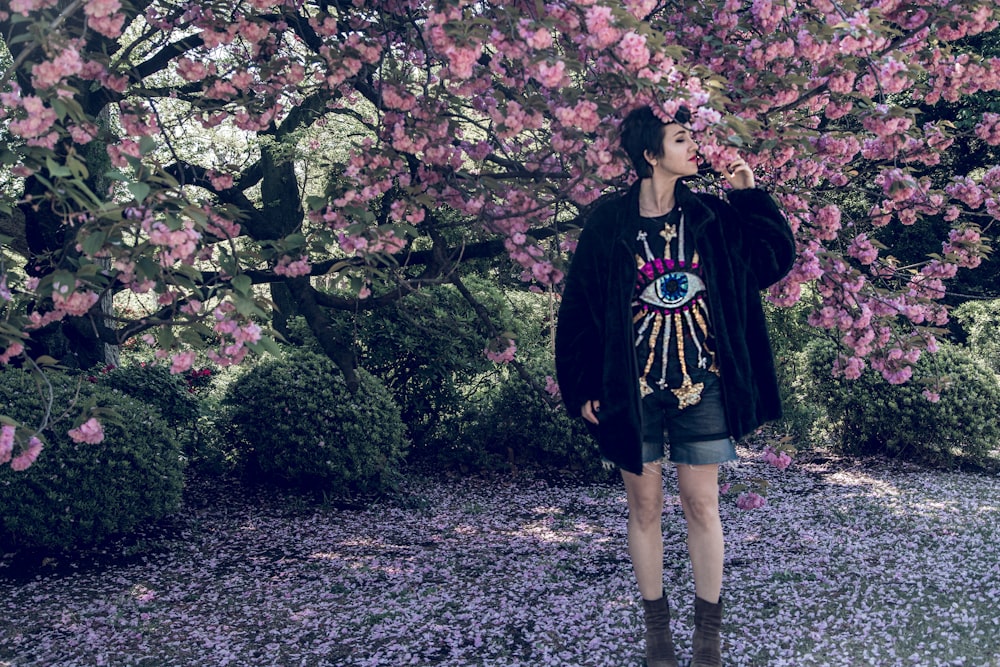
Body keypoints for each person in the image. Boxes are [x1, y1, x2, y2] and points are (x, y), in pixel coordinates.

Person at [555, 105, 796, 667]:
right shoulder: (608, 224)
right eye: (681, 139)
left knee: (701, 504)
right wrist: (583, 385)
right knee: (643, 508)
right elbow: (580, 309)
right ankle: (658, 639)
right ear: (649, 154)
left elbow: (772, 260)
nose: (695, 148)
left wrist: (750, 197)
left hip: (702, 382)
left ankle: (706, 641)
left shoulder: (712, 216)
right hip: (630, 387)